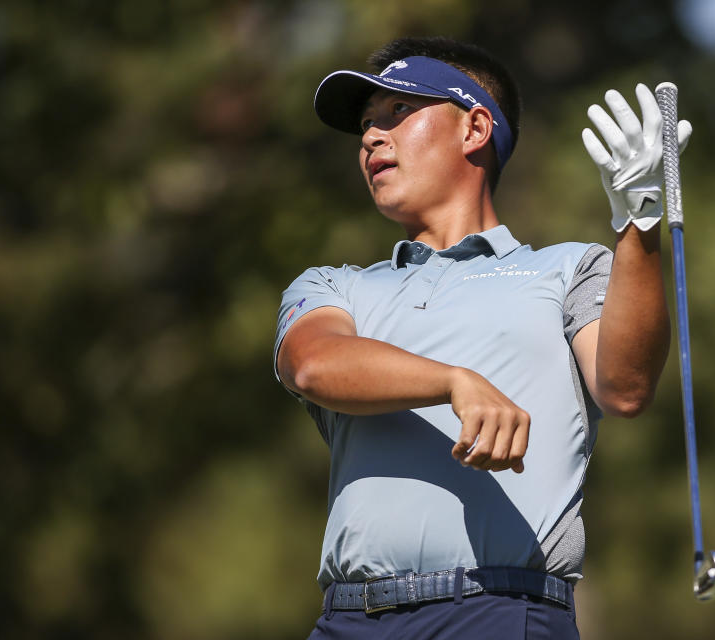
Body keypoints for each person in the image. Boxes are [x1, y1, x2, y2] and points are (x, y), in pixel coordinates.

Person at [273, 36, 691, 639]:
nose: (370, 136)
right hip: (348, 620)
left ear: (474, 128)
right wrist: (453, 382)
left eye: (398, 112)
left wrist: (639, 225)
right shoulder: (334, 285)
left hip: (501, 611)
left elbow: (624, 387)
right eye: (366, 123)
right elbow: (314, 364)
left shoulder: (570, 269)